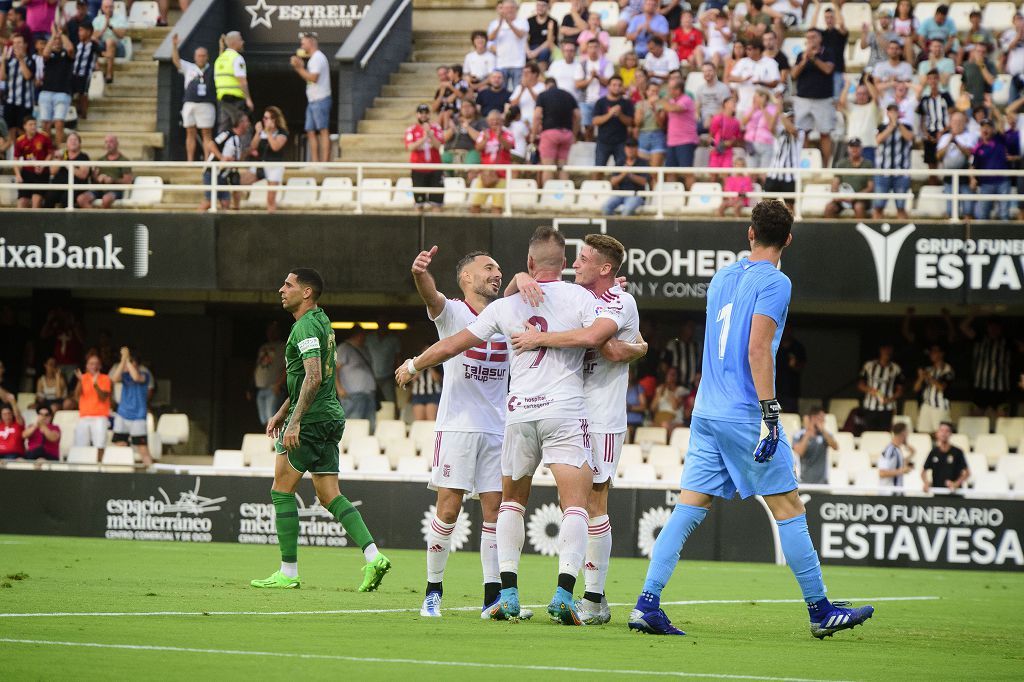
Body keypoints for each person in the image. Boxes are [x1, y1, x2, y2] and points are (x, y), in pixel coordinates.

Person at [627, 200, 874, 638]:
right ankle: (820, 610)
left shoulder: (723, 276)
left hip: (705, 410)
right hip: (744, 413)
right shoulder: (777, 282)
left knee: (688, 507)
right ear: (789, 240)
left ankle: (647, 603)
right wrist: (771, 412)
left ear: (749, 233)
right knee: (788, 506)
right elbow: (758, 348)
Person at [396, 227, 624, 625]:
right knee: (574, 505)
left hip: (515, 416)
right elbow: (600, 338)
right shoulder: (579, 297)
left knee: (508, 505)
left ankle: (506, 594)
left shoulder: (507, 306)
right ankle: (563, 594)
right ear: (563, 261)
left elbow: (455, 344)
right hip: (560, 411)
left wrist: (415, 364)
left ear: (530, 263)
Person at [506, 234, 647, 625]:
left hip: (600, 414)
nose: (575, 264)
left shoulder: (620, 300)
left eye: (584, 259)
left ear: (605, 269)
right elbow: (512, 298)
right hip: (564, 410)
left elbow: (608, 346)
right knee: (579, 505)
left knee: (594, 502)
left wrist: (540, 338)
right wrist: (521, 275)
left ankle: (594, 598)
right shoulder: (571, 295)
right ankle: (586, 597)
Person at [252, 269, 391, 591]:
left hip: (312, 420)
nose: (281, 289)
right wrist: (282, 411)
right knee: (329, 495)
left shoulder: (304, 328)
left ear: (307, 293)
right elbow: (312, 378)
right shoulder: (322, 322)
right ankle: (374, 557)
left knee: (281, 490)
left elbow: (313, 377)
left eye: (288, 285)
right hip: (330, 417)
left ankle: (287, 572)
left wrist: (295, 420)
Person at [408, 246, 510, 618]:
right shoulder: (453, 312)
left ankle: (492, 598)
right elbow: (430, 296)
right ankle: (433, 592)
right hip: (458, 427)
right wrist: (420, 273)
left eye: (499, 267)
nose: (496, 273)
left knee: (496, 512)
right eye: (488, 267)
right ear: (466, 277)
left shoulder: (506, 314)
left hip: (498, 429)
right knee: (448, 508)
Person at [792, 29, 836, 166]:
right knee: (802, 133)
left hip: (823, 99)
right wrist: (805, 60)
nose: (810, 40)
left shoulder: (828, 53)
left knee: (825, 133)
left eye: (813, 37)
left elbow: (828, 69)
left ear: (820, 39)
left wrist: (814, 59)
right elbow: (793, 75)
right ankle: (802, 163)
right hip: (803, 99)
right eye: (808, 37)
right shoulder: (801, 55)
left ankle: (826, 165)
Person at [171, 34, 215, 163]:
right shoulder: (189, 67)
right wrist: (174, 46)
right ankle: (190, 161)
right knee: (190, 132)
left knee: (206, 133)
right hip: (189, 103)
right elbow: (176, 61)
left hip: (206, 104)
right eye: (199, 55)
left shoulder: (212, 69)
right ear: (195, 57)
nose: (201, 58)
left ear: (207, 57)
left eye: (203, 55)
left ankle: (208, 161)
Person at [959, 315, 1015, 417]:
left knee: (1003, 420)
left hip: (1000, 389)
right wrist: (975, 311)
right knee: (975, 419)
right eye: (991, 327)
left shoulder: (1008, 343)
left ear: (1000, 329)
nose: (993, 330)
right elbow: (963, 326)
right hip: (980, 388)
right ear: (987, 328)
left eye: (996, 328)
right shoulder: (979, 339)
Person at [290, 32, 331, 163]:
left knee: (323, 130)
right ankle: (315, 162)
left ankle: (324, 163)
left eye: (304, 42)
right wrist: (301, 67)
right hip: (312, 100)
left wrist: (298, 68)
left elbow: (313, 78)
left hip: (321, 99)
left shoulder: (318, 58)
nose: (301, 45)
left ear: (311, 42)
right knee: (310, 130)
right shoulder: (313, 58)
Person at [109, 345, 154, 467]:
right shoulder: (124, 375)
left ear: (136, 363)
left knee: (142, 448)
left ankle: (151, 472)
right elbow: (114, 378)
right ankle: (123, 471)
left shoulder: (144, 373)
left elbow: (136, 377)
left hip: (138, 416)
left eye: (131, 362)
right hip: (122, 415)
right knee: (119, 444)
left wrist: (126, 359)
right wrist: (123, 360)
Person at [533, 77, 580, 185]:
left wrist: (534, 134)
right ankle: (564, 195)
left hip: (549, 133)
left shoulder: (543, 95)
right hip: (567, 134)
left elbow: (537, 116)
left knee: (548, 168)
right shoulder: (568, 95)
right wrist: (574, 134)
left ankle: (549, 197)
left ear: (546, 86)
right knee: (563, 167)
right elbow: (578, 115)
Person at [198, 114, 248, 212]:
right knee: (209, 201)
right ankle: (194, 222)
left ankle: (224, 225)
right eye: (246, 122)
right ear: (240, 123)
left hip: (223, 175)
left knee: (226, 202)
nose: (248, 124)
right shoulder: (227, 134)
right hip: (212, 172)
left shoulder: (238, 140)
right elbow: (211, 144)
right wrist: (222, 158)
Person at [872, 104, 913, 220]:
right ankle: (875, 228)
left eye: (895, 111)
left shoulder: (907, 126)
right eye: (891, 111)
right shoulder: (881, 127)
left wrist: (898, 124)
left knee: (901, 207)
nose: (893, 114)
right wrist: (891, 126)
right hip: (882, 172)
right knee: (878, 206)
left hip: (901, 173)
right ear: (887, 113)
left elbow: (909, 137)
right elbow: (878, 140)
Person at [470, 109, 514, 214]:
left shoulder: (507, 133)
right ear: (488, 121)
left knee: (497, 207)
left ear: (501, 120)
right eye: (492, 120)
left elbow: (510, 146)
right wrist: (485, 140)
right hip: (485, 173)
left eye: (497, 119)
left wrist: (499, 137)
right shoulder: (484, 133)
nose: (495, 122)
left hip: (501, 175)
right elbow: (478, 148)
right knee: (475, 205)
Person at [936, 111, 978, 218]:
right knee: (951, 211)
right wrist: (950, 140)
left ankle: (968, 234)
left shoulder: (970, 136)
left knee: (968, 210)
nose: (957, 124)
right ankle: (953, 233)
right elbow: (938, 156)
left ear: (965, 123)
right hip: (949, 177)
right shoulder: (945, 138)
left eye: (960, 121)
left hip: (965, 177)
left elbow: (970, 154)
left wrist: (957, 143)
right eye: (954, 121)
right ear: (950, 123)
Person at [335, 328, 378, 430]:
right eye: (363, 335)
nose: (365, 338)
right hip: (352, 395)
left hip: (369, 394)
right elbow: (334, 370)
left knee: (370, 426)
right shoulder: (344, 348)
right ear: (357, 335)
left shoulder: (364, 348)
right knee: (354, 425)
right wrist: (339, 388)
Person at [38, 29, 75, 146]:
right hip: (46, 92)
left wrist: (62, 34)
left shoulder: (67, 55)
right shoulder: (49, 55)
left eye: (59, 40)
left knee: (59, 123)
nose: (57, 41)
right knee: (45, 124)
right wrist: (53, 35)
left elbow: (70, 49)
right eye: (55, 40)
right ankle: (47, 150)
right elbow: (45, 53)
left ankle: (58, 150)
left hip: (62, 93)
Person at [970, 118, 1012, 221]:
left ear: (993, 129)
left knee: (1004, 214)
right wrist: (972, 178)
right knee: (982, 214)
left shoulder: (999, 139)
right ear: (980, 130)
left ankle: (1005, 237)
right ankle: (982, 236)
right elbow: (973, 165)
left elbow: (1001, 121)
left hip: (1003, 181)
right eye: (983, 127)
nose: (985, 130)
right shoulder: (977, 147)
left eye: (988, 127)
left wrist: (992, 107)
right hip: (986, 183)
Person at [247, 106, 288, 212]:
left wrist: (269, 133)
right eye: (264, 118)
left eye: (267, 118)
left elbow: (275, 147)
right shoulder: (262, 133)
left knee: (270, 198)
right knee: (238, 182)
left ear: (274, 119)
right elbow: (252, 147)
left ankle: (271, 217)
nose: (264, 120)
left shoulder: (282, 133)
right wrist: (258, 133)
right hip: (261, 164)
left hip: (274, 166)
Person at [405, 103, 445, 210]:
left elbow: (439, 146)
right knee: (419, 203)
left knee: (436, 203)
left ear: (429, 114)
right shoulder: (411, 129)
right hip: (419, 169)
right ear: (417, 115)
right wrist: (423, 138)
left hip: (435, 168)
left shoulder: (436, 128)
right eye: (421, 113)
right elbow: (410, 147)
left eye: (426, 113)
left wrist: (430, 134)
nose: (423, 115)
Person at [857, 343, 903, 432]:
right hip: (870, 406)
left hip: (887, 408)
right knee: (869, 433)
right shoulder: (869, 365)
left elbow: (900, 390)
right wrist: (870, 390)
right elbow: (860, 384)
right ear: (880, 350)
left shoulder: (895, 368)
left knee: (884, 434)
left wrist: (890, 399)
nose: (887, 352)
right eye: (885, 349)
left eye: (889, 349)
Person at [73, 353, 111, 461]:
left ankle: (99, 466)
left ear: (100, 366)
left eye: (96, 364)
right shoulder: (83, 378)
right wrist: (80, 381)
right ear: (87, 366)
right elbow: (76, 396)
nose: (94, 366)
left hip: (100, 416)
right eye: (91, 363)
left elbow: (104, 397)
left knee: (100, 444)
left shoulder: (105, 378)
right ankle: (82, 466)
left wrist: (95, 385)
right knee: (81, 444)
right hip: (84, 416)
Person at [824, 138, 874, 219]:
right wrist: (838, 196)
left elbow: (870, 187)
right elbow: (835, 183)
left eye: (857, 147)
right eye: (852, 147)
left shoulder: (868, 164)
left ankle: (859, 231)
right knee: (829, 208)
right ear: (848, 148)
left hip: (860, 199)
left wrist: (855, 196)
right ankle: (831, 231)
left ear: (861, 148)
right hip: (843, 197)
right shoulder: (841, 163)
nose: (854, 149)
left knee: (859, 207)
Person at [214, 31, 253, 135]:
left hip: (222, 100)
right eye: (240, 40)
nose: (243, 42)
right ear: (234, 42)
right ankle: (237, 149)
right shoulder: (237, 58)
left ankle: (219, 148)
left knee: (224, 127)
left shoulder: (220, 59)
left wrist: (221, 47)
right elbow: (242, 81)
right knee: (241, 126)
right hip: (236, 99)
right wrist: (248, 99)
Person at [576, 38, 615, 140]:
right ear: (587, 49)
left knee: (604, 126)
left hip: (602, 100)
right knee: (588, 127)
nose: (593, 50)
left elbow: (609, 83)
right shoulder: (582, 64)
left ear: (599, 49)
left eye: (595, 47)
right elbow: (578, 84)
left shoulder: (607, 63)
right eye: (590, 47)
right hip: (586, 100)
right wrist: (591, 79)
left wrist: (597, 76)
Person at [662, 77, 698, 186]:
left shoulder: (686, 99)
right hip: (672, 141)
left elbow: (674, 109)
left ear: (678, 90)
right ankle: (671, 198)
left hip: (685, 141)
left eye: (671, 89)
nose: (669, 91)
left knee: (687, 172)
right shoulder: (672, 101)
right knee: (670, 172)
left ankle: (691, 199)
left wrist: (662, 101)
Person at [592, 74, 633, 167]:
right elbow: (595, 121)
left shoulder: (626, 103)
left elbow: (630, 122)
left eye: (619, 85)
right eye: (614, 85)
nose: (617, 87)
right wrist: (610, 114)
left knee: (620, 171)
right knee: (598, 170)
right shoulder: (600, 102)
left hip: (621, 142)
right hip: (603, 142)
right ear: (609, 86)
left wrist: (620, 115)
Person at [764, 107, 803, 205]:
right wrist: (777, 110)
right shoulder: (779, 130)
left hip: (791, 175)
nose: (791, 119)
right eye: (789, 117)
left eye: (792, 117)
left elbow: (792, 130)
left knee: (790, 206)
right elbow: (771, 128)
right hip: (774, 172)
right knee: (768, 205)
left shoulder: (800, 131)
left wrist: (780, 110)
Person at [2, 34, 36, 142]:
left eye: (19, 42)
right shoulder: (9, 61)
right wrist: (2, 61)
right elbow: (2, 77)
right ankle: (13, 155)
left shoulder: (31, 60)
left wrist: (21, 60)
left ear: (25, 45)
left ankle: (23, 155)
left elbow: (27, 76)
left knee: (22, 131)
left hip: (25, 102)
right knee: (10, 130)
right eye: (14, 43)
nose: (16, 45)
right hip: (10, 101)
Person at [488, 0, 529, 90]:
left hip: (518, 63)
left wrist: (509, 23)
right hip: (501, 63)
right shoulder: (495, 23)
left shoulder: (522, 22)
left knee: (517, 90)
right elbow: (490, 38)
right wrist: (500, 24)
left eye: (511, 8)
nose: (509, 10)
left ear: (516, 9)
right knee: (502, 91)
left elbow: (520, 35)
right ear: (502, 9)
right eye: (506, 8)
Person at [14, 117, 54, 209]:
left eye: (35, 124)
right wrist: (18, 175)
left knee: (36, 200)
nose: (33, 127)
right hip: (27, 172)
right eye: (30, 124)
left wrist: (43, 165)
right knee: (22, 201)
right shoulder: (20, 141)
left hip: (41, 173)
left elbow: (50, 153)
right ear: (24, 126)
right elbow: (15, 158)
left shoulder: (44, 137)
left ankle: (35, 222)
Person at [914, 344, 953, 435]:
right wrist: (921, 377)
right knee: (923, 433)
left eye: (934, 352)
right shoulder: (929, 369)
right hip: (926, 405)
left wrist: (929, 377)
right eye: (931, 352)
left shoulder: (948, 369)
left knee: (940, 433)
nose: (931, 354)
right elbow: (916, 388)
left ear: (941, 354)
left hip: (940, 406)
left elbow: (941, 387)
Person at [603, 137, 649, 215]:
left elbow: (644, 181)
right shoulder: (620, 162)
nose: (630, 149)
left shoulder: (643, 163)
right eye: (628, 146)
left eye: (633, 146)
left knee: (627, 210)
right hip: (620, 194)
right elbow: (613, 182)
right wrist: (623, 174)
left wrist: (630, 174)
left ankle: (621, 227)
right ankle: (613, 226)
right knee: (605, 208)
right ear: (625, 148)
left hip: (636, 195)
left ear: (637, 148)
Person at [811, 2, 847, 100]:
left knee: (835, 102)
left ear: (835, 18)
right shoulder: (822, 35)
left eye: (831, 17)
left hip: (837, 72)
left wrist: (835, 5)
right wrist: (817, 7)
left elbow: (842, 25)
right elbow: (812, 29)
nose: (829, 19)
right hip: (823, 72)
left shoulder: (840, 34)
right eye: (827, 17)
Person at [793, 406, 838, 485]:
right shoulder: (800, 435)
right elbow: (799, 452)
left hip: (822, 482)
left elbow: (835, 446)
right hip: (804, 482)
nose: (823, 420)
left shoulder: (825, 435)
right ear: (813, 418)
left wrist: (823, 430)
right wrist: (808, 432)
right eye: (821, 418)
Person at [253, 321, 286, 426]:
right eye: (269, 331)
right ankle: (269, 439)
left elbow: (289, 368)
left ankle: (274, 441)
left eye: (274, 331)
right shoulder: (263, 347)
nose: (271, 333)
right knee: (264, 419)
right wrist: (250, 387)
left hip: (274, 387)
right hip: (261, 387)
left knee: (272, 417)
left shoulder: (283, 346)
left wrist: (278, 384)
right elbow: (258, 366)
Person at [921, 421, 969, 494]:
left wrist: (956, 483)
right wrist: (926, 483)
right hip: (937, 493)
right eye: (941, 430)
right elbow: (923, 472)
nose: (944, 433)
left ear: (950, 434)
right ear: (937, 433)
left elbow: (967, 473)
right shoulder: (933, 452)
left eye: (947, 431)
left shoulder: (957, 452)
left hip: (954, 494)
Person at [365, 320, 402, 406]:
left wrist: (399, 376)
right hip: (371, 377)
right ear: (377, 324)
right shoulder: (369, 338)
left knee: (391, 402)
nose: (382, 326)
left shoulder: (394, 339)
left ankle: (393, 419)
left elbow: (398, 358)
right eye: (381, 323)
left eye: (384, 323)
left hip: (388, 377)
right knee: (369, 401)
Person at [742, 88, 778, 175]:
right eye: (754, 97)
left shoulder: (772, 109)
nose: (755, 99)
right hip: (751, 144)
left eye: (757, 97)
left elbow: (771, 125)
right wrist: (754, 109)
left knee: (764, 173)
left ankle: (764, 188)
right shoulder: (750, 109)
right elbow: (743, 122)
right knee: (751, 172)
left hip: (766, 143)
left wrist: (763, 108)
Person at [93, 134, 133, 209]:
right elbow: (94, 176)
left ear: (117, 144)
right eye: (106, 142)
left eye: (111, 142)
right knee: (82, 199)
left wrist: (113, 180)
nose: (108, 144)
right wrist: (98, 178)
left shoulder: (124, 160)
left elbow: (128, 180)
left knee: (106, 199)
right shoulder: (100, 160)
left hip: (116, 190)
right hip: (100, 189)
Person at [92, 0, 127, 84]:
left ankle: (109, 73)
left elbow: (121, 35)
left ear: (114, 7)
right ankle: (97, 65)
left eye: (111, 7)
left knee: (110, 41)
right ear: (102, 8)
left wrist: (111, 27)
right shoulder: (97, 20)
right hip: (102, 45)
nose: (109, 9)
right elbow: (94, 36)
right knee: (92, 40)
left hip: (118, 47)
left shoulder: (120, 18)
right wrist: (105, 27)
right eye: (106, 7)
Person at [70, 23, 99, 119]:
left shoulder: (93, 45)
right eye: (79, 31)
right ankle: (74, 112)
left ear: (89, 32)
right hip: (74, 73)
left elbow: (100, 54)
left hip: (85, 74)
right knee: (72, 92)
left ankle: (84, 114)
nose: (79, 33)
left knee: (83, 93)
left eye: (82, 31)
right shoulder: (77, 44)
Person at [634, 81, 666, 168]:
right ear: (647, 92)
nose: (654, 93)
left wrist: (654, 109)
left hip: (657, 136)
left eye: (656, 91)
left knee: (655, 170)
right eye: (652, 91)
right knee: (643, 170)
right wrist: (646, 107)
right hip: (643, 136)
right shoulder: (640, 104)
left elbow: (661, 124)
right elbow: (637, 123)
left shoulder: (662, 105)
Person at [878, 423, 914, 494]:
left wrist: (909, 448)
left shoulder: (897, 450)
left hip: (898, 493)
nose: (908, 435)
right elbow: (882, 473)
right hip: (889, 494)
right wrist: (902, 471)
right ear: (903, 433)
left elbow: (900, 464)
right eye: (907, 432)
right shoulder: (890, 451)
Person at [695, 61, 732, 131]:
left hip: (719, 120)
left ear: (715, 71)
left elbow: (726, 108)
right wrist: (696, 116)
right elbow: (697, 106)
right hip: (703, 120)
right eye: (704, 71)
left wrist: (712, 118)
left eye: (709, 71)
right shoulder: (700, 89)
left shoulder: (723, 88)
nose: (707, 73)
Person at [526, 0, 558, 69]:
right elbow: (524, 38)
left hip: (544, 48)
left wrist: (535, 52)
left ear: (547, 7)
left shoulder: (552, 22)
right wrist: (528, 51)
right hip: (531, 48)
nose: (540, 8)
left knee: (544, 53)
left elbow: (550, 41)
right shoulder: (529, 21)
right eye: (538, 5)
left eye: (543, 5)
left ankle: (540, 77)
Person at [509, 62, 541, 126]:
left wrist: (529, 88)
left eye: (527, 72)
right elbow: (513, 104)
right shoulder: (519, 88)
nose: (524, 75)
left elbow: (540, 101)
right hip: (521, 122)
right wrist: (521, 91)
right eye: (523, 72)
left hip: (536, 121)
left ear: (535, 74)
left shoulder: (542, 86)